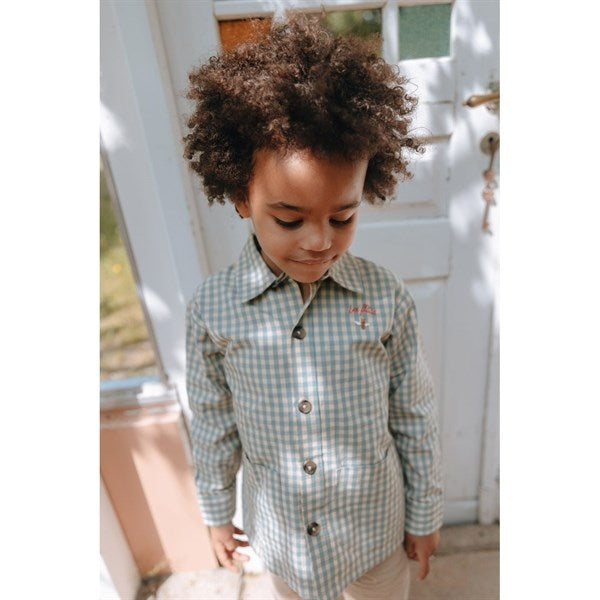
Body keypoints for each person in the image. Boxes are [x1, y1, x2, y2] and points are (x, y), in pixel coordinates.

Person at [183, 13, 444, 600]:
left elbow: (415, 413)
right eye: (289, 219)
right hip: (283, 545)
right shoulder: (213, 309)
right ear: (240, 196)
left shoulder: (384, 297)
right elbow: (213, 420)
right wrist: (216, 511)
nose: (320, 241)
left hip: (375, 535)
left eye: (343, 217)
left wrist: (425, 514)